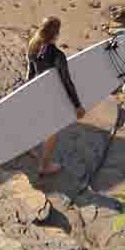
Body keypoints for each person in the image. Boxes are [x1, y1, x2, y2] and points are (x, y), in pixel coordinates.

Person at [27, 16, 85, 177]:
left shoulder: (33, 47)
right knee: (53, 130)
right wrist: (77, 105)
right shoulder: (58, 55)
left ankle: (29, 148)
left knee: (36, 121)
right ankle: (44, 166)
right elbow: (67, 81)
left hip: (35, 92)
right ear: (56, 34)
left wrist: (27, 94)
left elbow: (30, 74)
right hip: (50, 95)